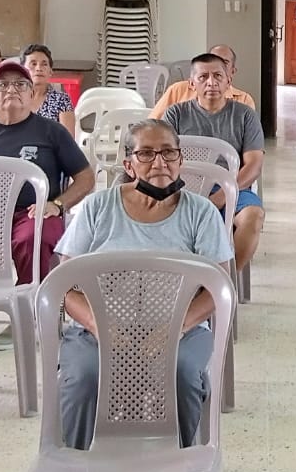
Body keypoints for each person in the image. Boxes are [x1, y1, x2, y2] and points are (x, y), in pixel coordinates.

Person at [53, 120, 233, 452]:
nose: (159, 162)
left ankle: (177, 464)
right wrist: (100, 328)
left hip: (180, 329)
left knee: (181, 373)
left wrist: (174, 330)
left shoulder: (201, 212)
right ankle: (78, 465)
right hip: (98, 329)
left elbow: (218, 287)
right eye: (146, 154)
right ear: (128, 165)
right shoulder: (98, 207)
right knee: (85, 377)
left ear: (180, 159)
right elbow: (64, 284)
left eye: (168, 153)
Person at [0, 59, 95, 290]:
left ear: (31, 94)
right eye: (2, 85)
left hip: (30, 213)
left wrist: (58, 205)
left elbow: (86, 177)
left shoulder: (52, 131)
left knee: (35, 237)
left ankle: (30, 300)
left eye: (20, 84)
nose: (11, 90)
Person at [162, 52, 266, 270]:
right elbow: (163, 156)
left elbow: (254, 165)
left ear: (228, 80)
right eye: (203, 77)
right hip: (183, 187)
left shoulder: (245, 115)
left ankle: (225, 279)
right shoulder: (175, 114)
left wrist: (222, 196)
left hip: (231, 187)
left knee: (253, 216)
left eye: (218, 76)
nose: (211, 82)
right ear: (192, 83)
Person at [149, 44, 258, 114]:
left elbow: (250, 138)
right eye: (212, 60)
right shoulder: (177, 90)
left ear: (232, 73)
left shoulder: (243, 100)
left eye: (224, 63)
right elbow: (153, 124)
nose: (211, 82)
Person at [21, 43, 76, 133]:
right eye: (33, 64)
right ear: (22, 70)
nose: (39, 68)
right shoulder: (15, 98)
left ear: (50, 71)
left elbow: (68, 138)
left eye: (44, 64)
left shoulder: (61, 100)